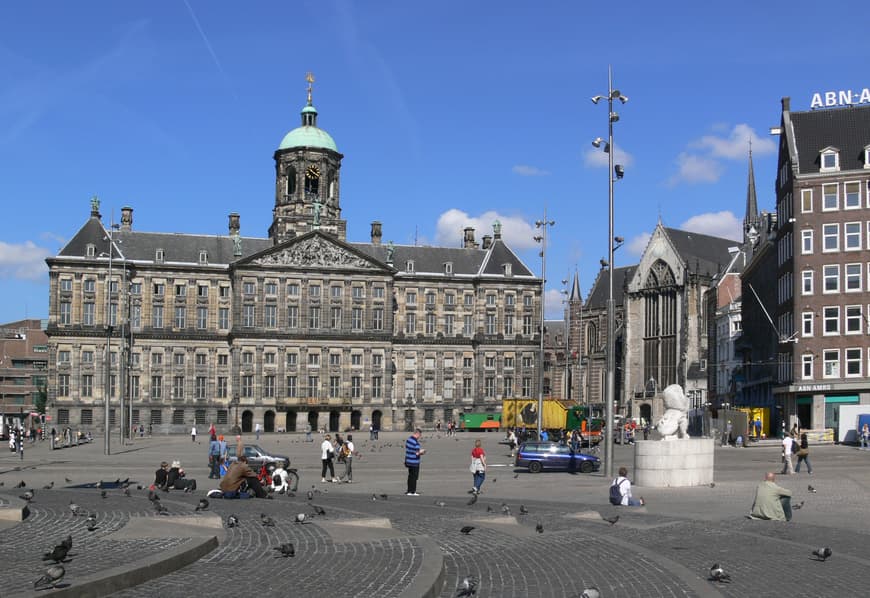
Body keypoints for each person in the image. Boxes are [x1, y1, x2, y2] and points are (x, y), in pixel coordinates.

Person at [404, 428, 426, 496]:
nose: (420, 437)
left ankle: (409, 491)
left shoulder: (409, 439)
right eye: (420, 435)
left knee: (410, 476)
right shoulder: (415, 442)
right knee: (414, 477)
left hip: (408, 460)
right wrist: (422, 452)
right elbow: (417, 453)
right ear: (417, 434)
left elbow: (410, 450)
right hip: (414, 462)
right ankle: (412, 491)